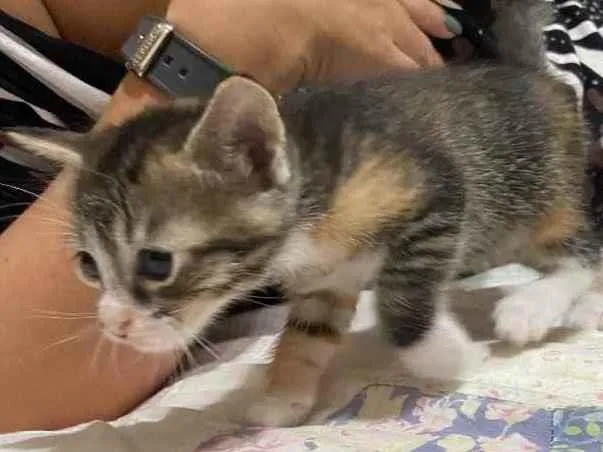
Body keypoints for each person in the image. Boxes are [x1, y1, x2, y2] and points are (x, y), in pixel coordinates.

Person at [0, 0, 601, 433]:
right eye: (90, 266)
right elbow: (325, 286)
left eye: (156, 263)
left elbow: (431, 194)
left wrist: (412, 324)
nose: (110, 318)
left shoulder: (325, 194)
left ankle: (578, 272)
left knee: (555, 223)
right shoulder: (288, 223)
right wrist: (203, 54)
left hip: (531, 111)